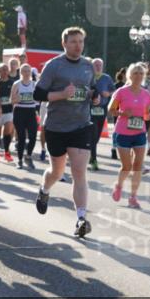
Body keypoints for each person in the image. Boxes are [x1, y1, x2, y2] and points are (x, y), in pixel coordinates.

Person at [33, 27, 98, 237]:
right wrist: (62, 94)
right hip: (56, 127)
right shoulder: (54, 66)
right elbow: (38, 94)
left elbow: (92, 89)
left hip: (81, 126)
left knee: (79, 172)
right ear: (64, 44)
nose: (78, 46)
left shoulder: (88, 65)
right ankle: (44, 189)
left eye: (81, 41)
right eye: (73, 42)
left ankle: (81, 219)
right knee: (57, 172)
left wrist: (94, 96)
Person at [108, 63, 150, 208]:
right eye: (135, 73)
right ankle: (119, 185)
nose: (138, 76)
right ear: (130, 75)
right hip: (123, 132)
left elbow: (146, 113)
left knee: (138, 166)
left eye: (141, 73)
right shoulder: (121, 92)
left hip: (139, 132)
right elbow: (110, 109)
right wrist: (122, 113)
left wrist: (149, 116)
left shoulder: (146, 94)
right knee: (126, 166)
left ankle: (133, 196)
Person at [88, 58, 116, 171]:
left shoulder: (106, 78)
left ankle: (90, 153)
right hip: (90, 109)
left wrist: (108, 93)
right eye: (96, 65)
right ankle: (93, 159)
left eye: (100, 65)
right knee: (93, 133)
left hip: (102, 109)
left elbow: (114, 91)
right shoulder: (88, 77)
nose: (98, 67)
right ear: (92, 66)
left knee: (97, 135)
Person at [11, 63, 39, 170]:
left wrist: (36, 101)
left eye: (28, 71)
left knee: (33, 136)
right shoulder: (16, 84)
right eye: (24, 71)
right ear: (21, 72)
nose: (27, 73)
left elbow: (38, 100)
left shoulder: (34, 84)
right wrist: (16, 99)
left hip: (31, 111)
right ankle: (19, 160)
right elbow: (11, 100)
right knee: (21, 137)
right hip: (19, 111)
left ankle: (28, 156)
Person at [0, 62, 16, 163]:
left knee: (7, 130)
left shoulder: (12, 83)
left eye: (6, 69)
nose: (5, 71)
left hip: (9, 111)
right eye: (3, 69)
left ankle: (7, 152)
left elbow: (15, 95)